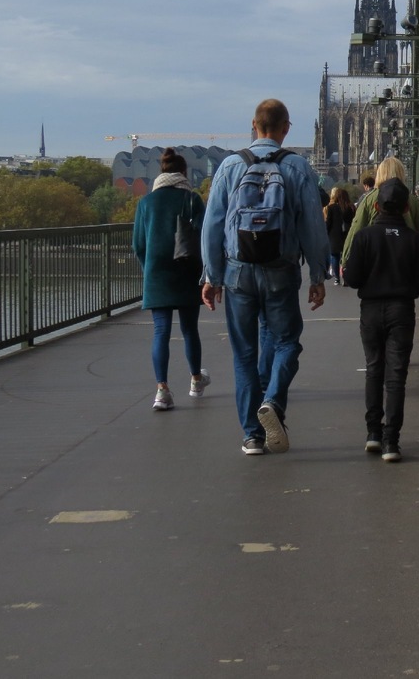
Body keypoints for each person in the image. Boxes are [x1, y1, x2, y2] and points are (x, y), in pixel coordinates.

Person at [200, 99, 330, 455]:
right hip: (281, 268)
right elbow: (313, 227)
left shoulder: (229, 166)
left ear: (253, 125)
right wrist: (318, 274)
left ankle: (252, 436)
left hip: (237, 271)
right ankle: (272, 400)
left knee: (244, 354)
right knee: (287, 340)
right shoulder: (298, 167)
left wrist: (211, 276)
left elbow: (212, 226)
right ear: (285, 128)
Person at [343, 178, 419, 462]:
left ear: (375, 205)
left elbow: (351, 279)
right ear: (406, 207)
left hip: (371, 310)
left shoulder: (364, 238)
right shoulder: (415, 241)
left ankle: (373, 433)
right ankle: (391, 442)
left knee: (374, 369)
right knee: (396, 377)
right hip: (401, 310)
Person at [132, 148, 210, 411]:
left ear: (161, 173)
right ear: (184, 173)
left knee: (160, 332)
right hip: (187, 271)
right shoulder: (192, 200)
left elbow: (138, 244)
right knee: (190, 331)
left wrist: (149, 269)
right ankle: (196, 381)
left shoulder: (146, 203)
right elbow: (204, 239)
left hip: (157, 274)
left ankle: (162, 390)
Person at [341, 156, 419, 267]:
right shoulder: (412, 201)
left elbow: (356, 229)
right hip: (405, 262)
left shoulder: (369, 199)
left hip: (374, 261)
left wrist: (345, 261)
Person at [324, 187, 355, 285]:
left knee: (335, 256)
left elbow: (328, 222)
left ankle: (337, 278)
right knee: (346, 256)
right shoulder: (351, 207)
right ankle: (345, 278)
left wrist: (326, 232)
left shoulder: (331, 207)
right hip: (347, 234)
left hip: (334, 235)